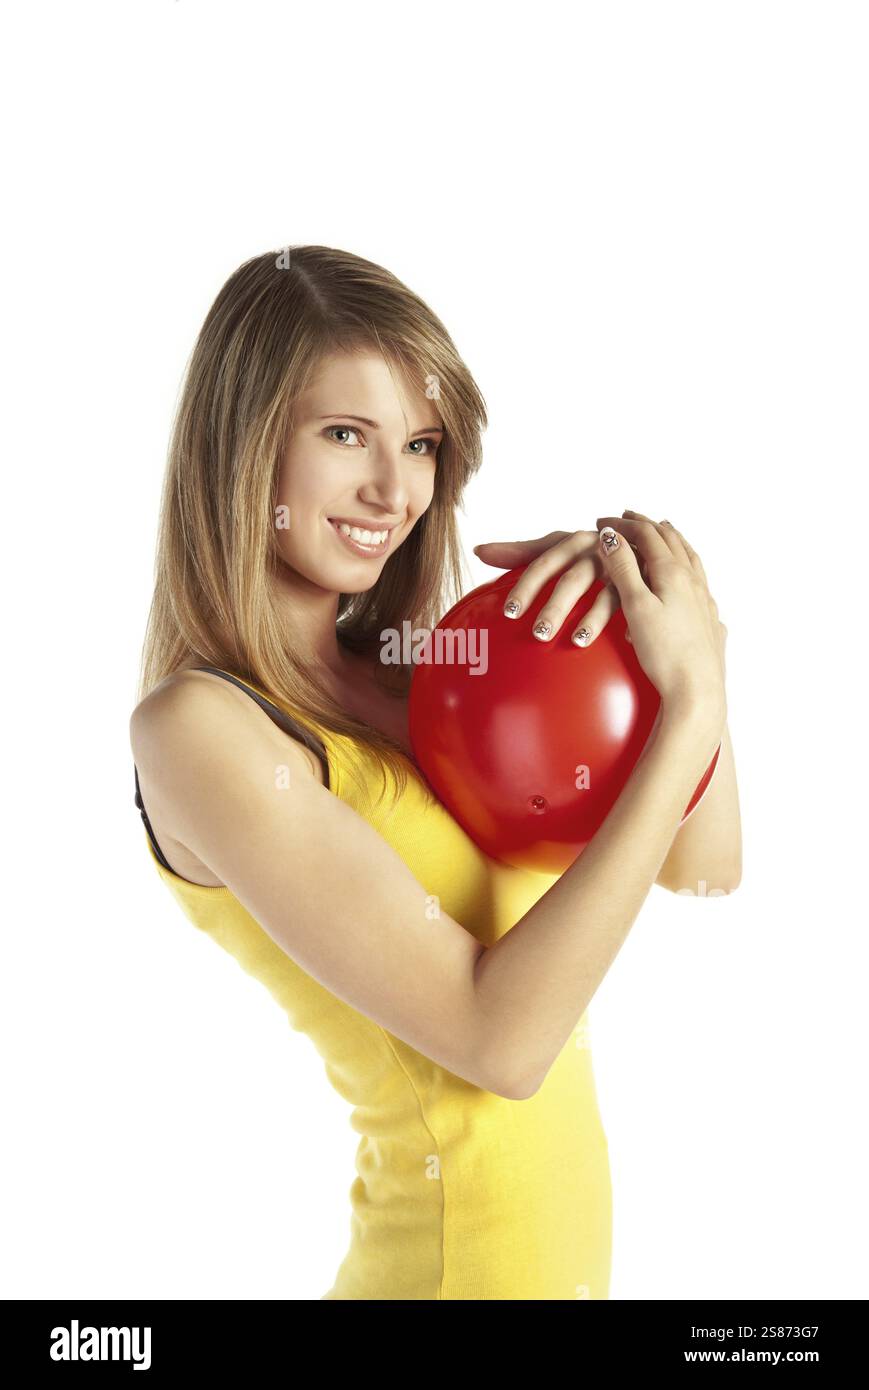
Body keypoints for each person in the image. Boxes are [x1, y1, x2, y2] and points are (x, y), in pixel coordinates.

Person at [130, 244, 738, 1300]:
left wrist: (644, 652)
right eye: (343, 434)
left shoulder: (426, 670)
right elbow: (499, 1043)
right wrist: (686, 711)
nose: (393, 487)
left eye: (418, 443)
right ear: (242, 446)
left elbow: (703, 863)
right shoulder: (202, 730)